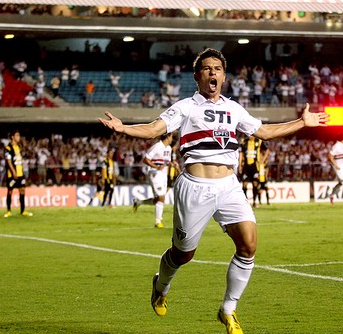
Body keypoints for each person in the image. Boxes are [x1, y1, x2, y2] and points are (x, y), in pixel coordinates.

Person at [98, 48, 329, 334]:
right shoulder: (185, 107)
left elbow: (264, 132)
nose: (212, 73)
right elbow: (154, 128)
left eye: (217, 68)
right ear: (197, 76)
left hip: (229, 186)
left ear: (223, 75)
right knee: (183, 254)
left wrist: (301, 123)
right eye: (207, 68)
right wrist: (124, 128)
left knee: (249, 244)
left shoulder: (234, 108)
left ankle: (228, 310)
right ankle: (161, 285)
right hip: (194, 188)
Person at [133, 132, 176, 228]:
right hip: (155, 174)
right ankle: (158, 221)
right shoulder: (157, 146)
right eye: (171, 137)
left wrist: (172, 164)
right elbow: (145, 159)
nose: (172, 139)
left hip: (163, 175)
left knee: (158, 199)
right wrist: (155, 166)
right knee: (161, 198)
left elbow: (166, 162)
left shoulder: (168, 149)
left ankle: (139, 202)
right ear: (167, 137)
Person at [3, 130, 33, 218]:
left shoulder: (19, 146)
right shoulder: (7, 148)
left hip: (20, 173)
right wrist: (13, 172)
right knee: (10, 191)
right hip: (12, 174)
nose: (19, 137)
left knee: (22, 190)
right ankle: (8, 211)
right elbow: (9, 161)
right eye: (17, 135)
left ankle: (23, 210)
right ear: (12, 137)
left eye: (19, 136)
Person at [239, 135, 269, 208]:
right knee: (244, 184)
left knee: (255, 184)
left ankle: (255, 202)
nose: (250, 136)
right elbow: (241, 153)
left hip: (255, 167)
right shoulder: (245, 142)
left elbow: (267, 150)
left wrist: (262, 160)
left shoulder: (259, 141)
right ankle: (245, 202)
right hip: (246, 166)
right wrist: (240, 165)